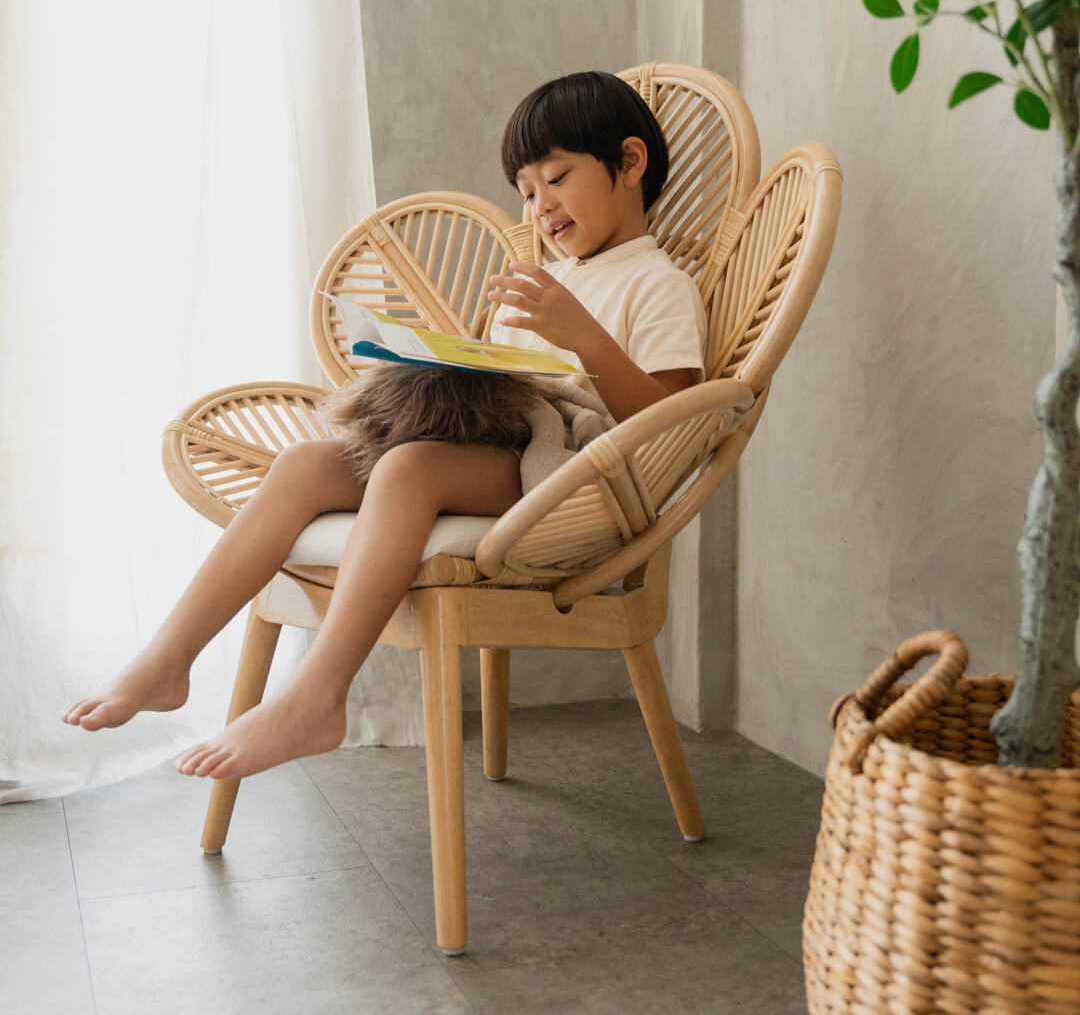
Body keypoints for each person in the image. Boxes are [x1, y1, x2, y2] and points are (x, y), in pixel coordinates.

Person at [60, 70, 708, 780]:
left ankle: (318, 695)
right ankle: (169, 659)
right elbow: (511, 384)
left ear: (631, 163)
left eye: (556, 177)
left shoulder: (658, 283)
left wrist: (582, 335)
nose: (539, 207)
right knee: (306, 462)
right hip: (501, 445)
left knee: (407, 469)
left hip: (569, 474)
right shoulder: (548, 280)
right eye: (525, 191)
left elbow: (665, 428)